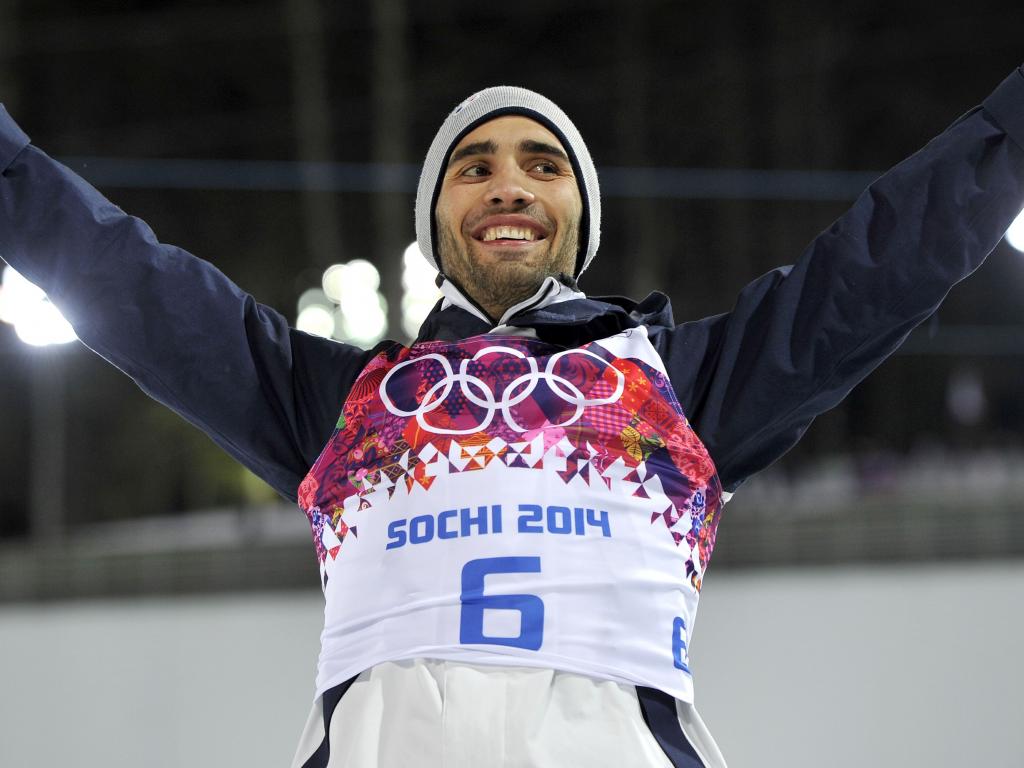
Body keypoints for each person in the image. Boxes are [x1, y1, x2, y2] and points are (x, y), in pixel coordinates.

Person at [1, 65, 1023, 767]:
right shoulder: (338, 405)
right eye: (474, 166)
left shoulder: (682, 386)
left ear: (579, 215)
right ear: (435, 221)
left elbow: (876, 267)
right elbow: (134, 287)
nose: (508, 187)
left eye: (543, 165)